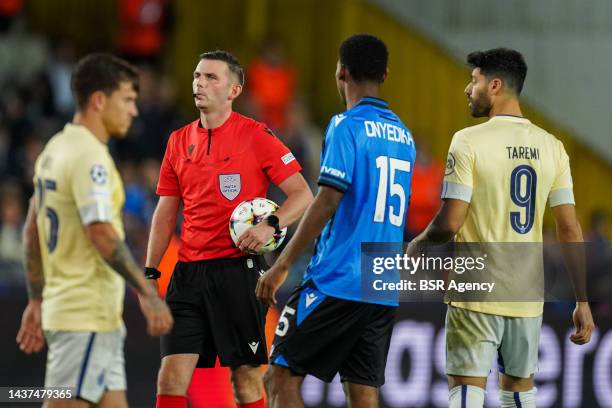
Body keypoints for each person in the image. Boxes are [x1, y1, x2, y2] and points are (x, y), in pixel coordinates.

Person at [408, 48, 595, 408]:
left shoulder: (468, 141)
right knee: (518, 396)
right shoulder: (552, 147)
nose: (468, 89)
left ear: (494, 85)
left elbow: (449, 223)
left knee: (466, 392)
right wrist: (582, 300)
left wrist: (417, 244)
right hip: (526, 294)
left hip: (476, 290)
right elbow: (570, 229)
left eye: (474, 81)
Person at [145, 50, 312, 408]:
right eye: (196, 76)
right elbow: (165, 211)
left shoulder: (256, 136)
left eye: (210, 77)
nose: (199, 83)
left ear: (234, 90)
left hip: (239, 272)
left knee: (245, 379)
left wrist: (272, 225)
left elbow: (302, 195)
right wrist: (150, 269)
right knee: (171, 377)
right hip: (187, 274)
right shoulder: (177, 140)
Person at [257, 34, 416, 408]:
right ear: (386, 74)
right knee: (362, 393)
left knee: (279, 377)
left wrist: (281, 265)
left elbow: (328, 199)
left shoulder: (346, 125)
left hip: (337, 279)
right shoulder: (405, 137)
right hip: (381, 285)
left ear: (341, 71)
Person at [15, 53, 173, 408]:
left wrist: (37, 298)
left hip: (87, 318)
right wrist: (146, 292)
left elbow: (31, 230)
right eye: (128, 100)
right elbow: (101, 232)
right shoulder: (91, 158)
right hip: (85, 317)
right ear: (99, 101)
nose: (134, 110)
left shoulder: (54, 149)